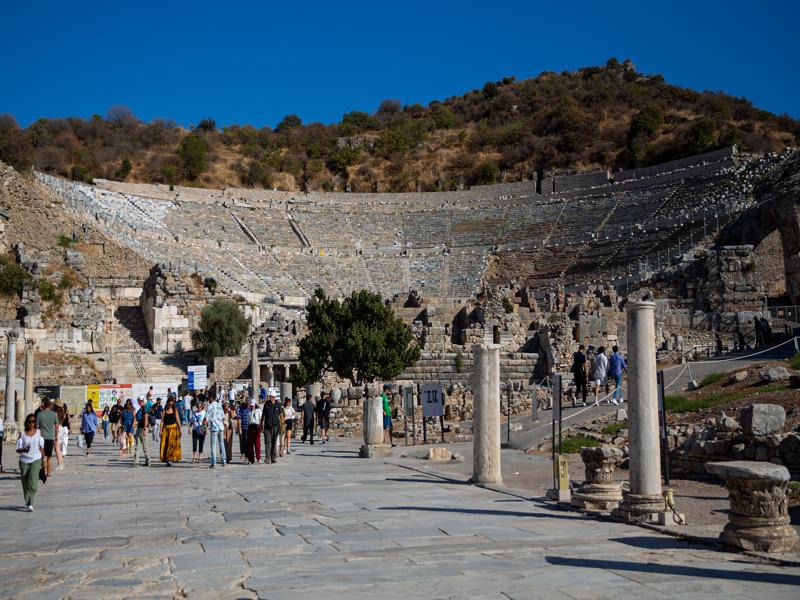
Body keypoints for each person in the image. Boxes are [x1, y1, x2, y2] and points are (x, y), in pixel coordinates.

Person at [16, 413, 44, 511]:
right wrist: (23, 450)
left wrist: (43, 461)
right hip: (24, 460)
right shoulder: (22, 434)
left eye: (33, 422)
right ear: (26, 423)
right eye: (29, 422)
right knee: (25, 483)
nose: (31, 424)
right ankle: (27, 501)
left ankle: (30, 502)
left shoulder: (39, 432)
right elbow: (17, 449)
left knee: (33, 483)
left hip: (36, 459)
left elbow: (41, 447)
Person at [35, 399, 58, 477]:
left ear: (44, 405)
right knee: (49, 456)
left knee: (43, 456)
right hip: (51, 437)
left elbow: (37, 426)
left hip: (42, 437)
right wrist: (56, 435)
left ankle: (44, 471)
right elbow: (57, 425)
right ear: (50, 406)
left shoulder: (39, 414)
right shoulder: (54, 414)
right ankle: (49, 473)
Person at [159, 396, 182, 466]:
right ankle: (166, 458)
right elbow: (162, 421)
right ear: (168, 402)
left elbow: (178, 420)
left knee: (171, 445)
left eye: (172, 403)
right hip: (166, 429)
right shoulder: (164, 410)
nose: (170, 405)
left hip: (173, 429)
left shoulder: (175, 410)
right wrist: (160, 430)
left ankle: (170, 459)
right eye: (169, 403)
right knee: (165, 445)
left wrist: (180, 429)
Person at [206, 394, 226, 468]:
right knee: (222, 443)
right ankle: (223, 460)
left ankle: (213, 462)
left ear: (211, 397)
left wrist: (203, 428)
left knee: (213, 446)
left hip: (214, 427)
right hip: (221, 427)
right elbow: (223, 417)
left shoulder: (210, 406)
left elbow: (206, 419)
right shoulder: (219, 405)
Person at [261, 393, 281, 463]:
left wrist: (281, 425)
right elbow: (263, 415)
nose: (271, 398)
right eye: (271, 396)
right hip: (267, 426)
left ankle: (273, 457)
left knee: (274, 442)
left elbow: (280, 415)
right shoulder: (266, 404)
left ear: (275, 397)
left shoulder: (278, 405)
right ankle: (267, 458)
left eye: (273, 396)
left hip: (275, 426)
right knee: (267, 442)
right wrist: (261, 424)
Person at [132, 397, 151, 467]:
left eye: (139, 401)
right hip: (139, 428)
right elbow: (138, 419)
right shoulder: (141, 408)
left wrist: (145, 429)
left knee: (145, 446)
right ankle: (136, 460)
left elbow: (146, 418)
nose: (138, 402)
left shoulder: (144, 408)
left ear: (142, 401)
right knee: (137, 444)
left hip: (143, 429)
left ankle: (148, 460)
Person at [246, 399, 262, 464]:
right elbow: (248, 421)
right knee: (250, 444)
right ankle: (251, 459)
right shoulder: (249, 412)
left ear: (255, 404)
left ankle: (258, 458)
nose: (252, 406)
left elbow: (261, 419)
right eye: (251, 405)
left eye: (253, 405)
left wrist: (261, 427)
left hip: (257, 426)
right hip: (250, 426)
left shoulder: (258, 411)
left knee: (257, 444)